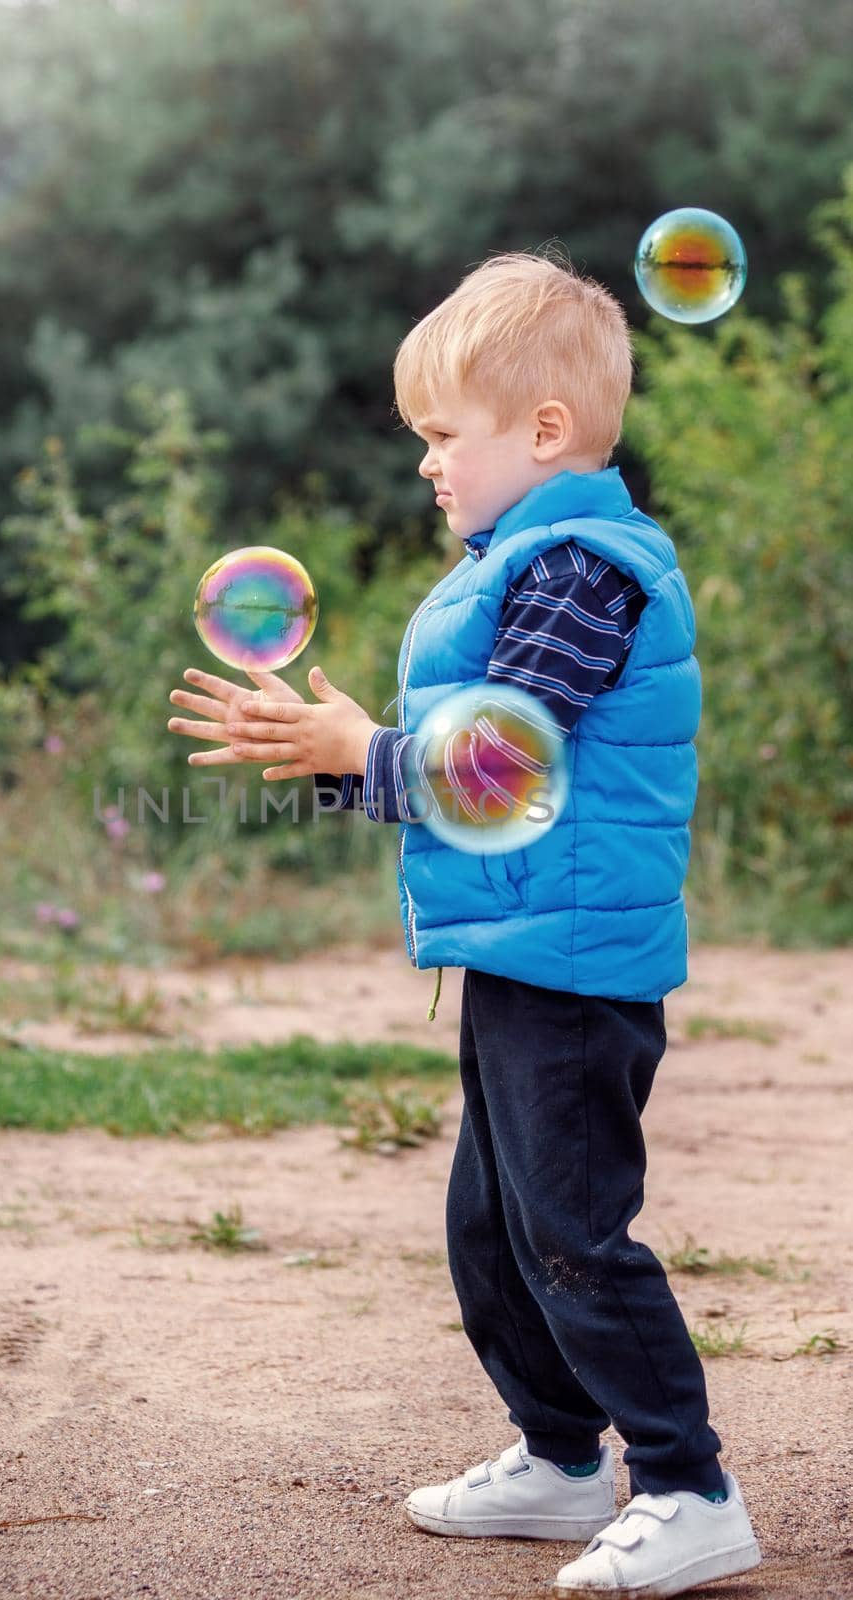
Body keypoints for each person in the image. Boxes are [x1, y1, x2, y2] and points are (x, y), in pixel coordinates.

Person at [167, 252, 762, 1597]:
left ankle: (687, 1487)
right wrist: (330, 754)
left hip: (574, 962)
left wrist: (359, 743)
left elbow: (504, 764)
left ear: (541, 432)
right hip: (516, 948)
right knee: (493, 1229)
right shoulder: (517, 563)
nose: (426, 465)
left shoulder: (582, 570)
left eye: (442, 435)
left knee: (572, 1233)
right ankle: (560, 1462)